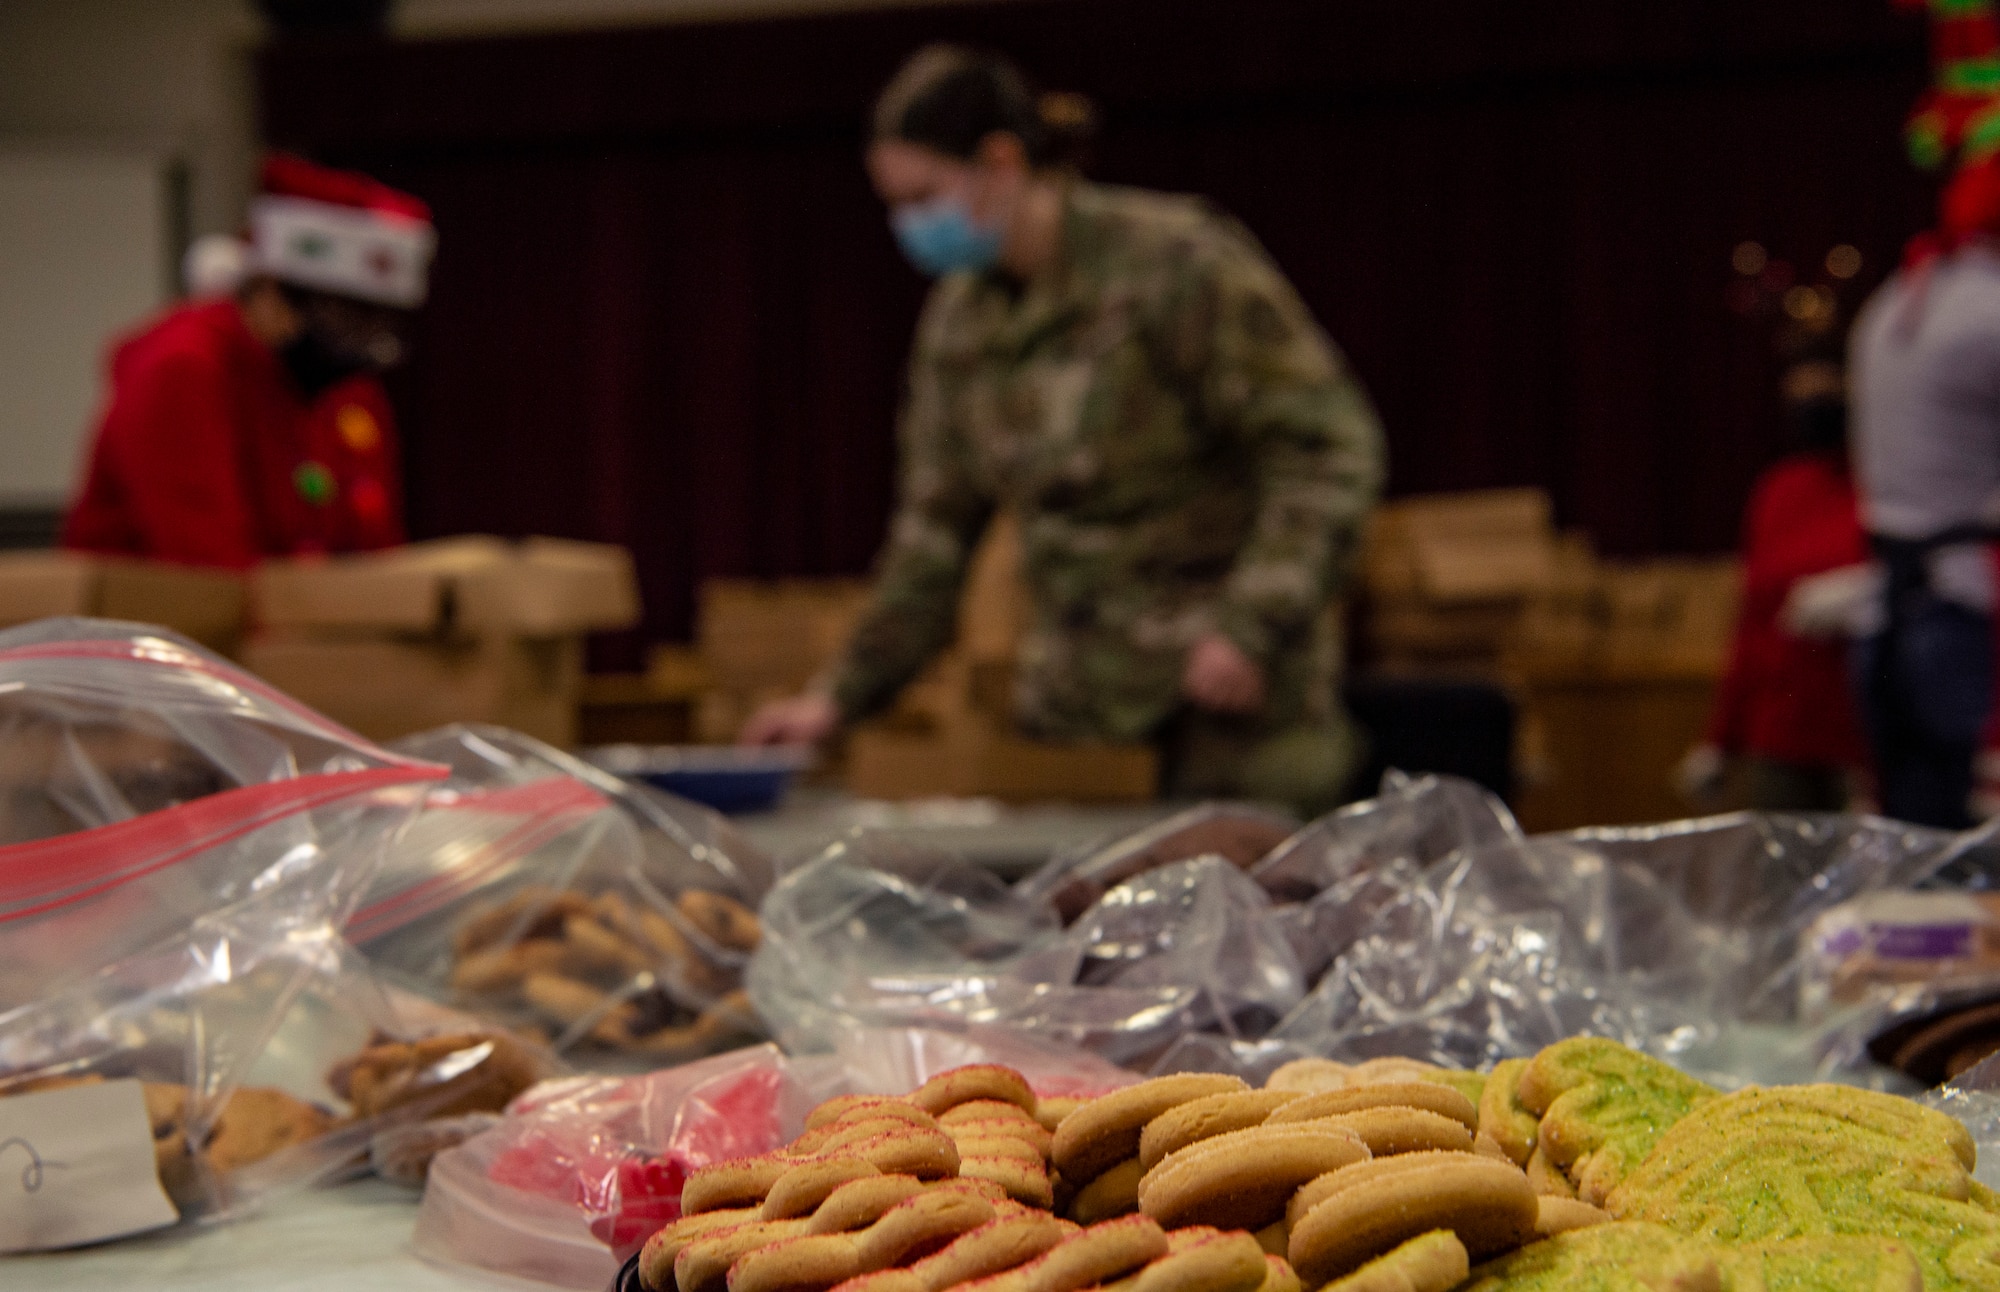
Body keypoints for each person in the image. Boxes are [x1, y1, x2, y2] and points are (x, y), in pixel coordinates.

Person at [744, 46, 1387, 815]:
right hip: (1080, 729)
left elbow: (1327, 448)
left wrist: (1253, 622)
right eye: (897, 205)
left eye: (925, 196)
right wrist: (837, 700)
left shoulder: (1173, 265)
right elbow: (933, 540)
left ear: (1001, 161)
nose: (912, 226)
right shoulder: (961, 323)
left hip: (1228, 726)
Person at [63, 154, 436, 568]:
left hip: (300, 626)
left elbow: (379, 556)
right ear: (268, 289)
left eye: (378, 324)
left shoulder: (344, 390)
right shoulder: (181, 369)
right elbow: (207, 569)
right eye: (343, 318)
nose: (361, 345)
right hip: (153, 627)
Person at [1847, 151, 2000, 829]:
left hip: (1895, 608)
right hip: (1957, 611)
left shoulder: (1898, 299)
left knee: (1921, 844)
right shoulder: (1984, 311)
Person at [1677, 337, 1871, 812]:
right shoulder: (1778, 492)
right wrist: (1720, 740)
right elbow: (1751, 624)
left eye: (1825, 393)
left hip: (1861, 736)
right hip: (1780, 733)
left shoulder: (1880, 484)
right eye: (1801, 397)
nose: (1813, 407)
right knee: (1780, 874)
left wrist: (1867, 594)